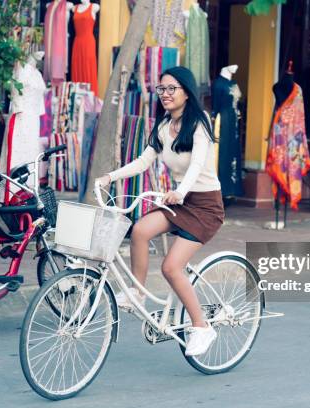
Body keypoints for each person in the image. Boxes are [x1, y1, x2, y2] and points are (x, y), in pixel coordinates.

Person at [96, 66, 224, 356]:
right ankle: (137, 292)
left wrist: (181, 190)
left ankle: (202, 327)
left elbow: (196, 165)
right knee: (140, 230)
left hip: (205, 205)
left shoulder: (200, 123)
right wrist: (110, 177)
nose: (165, 94)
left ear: (187, 93)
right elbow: (143, 161)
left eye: (172, 89)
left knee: (170, 267)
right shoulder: (164, 126)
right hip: (180, 201)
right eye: (161, 89)